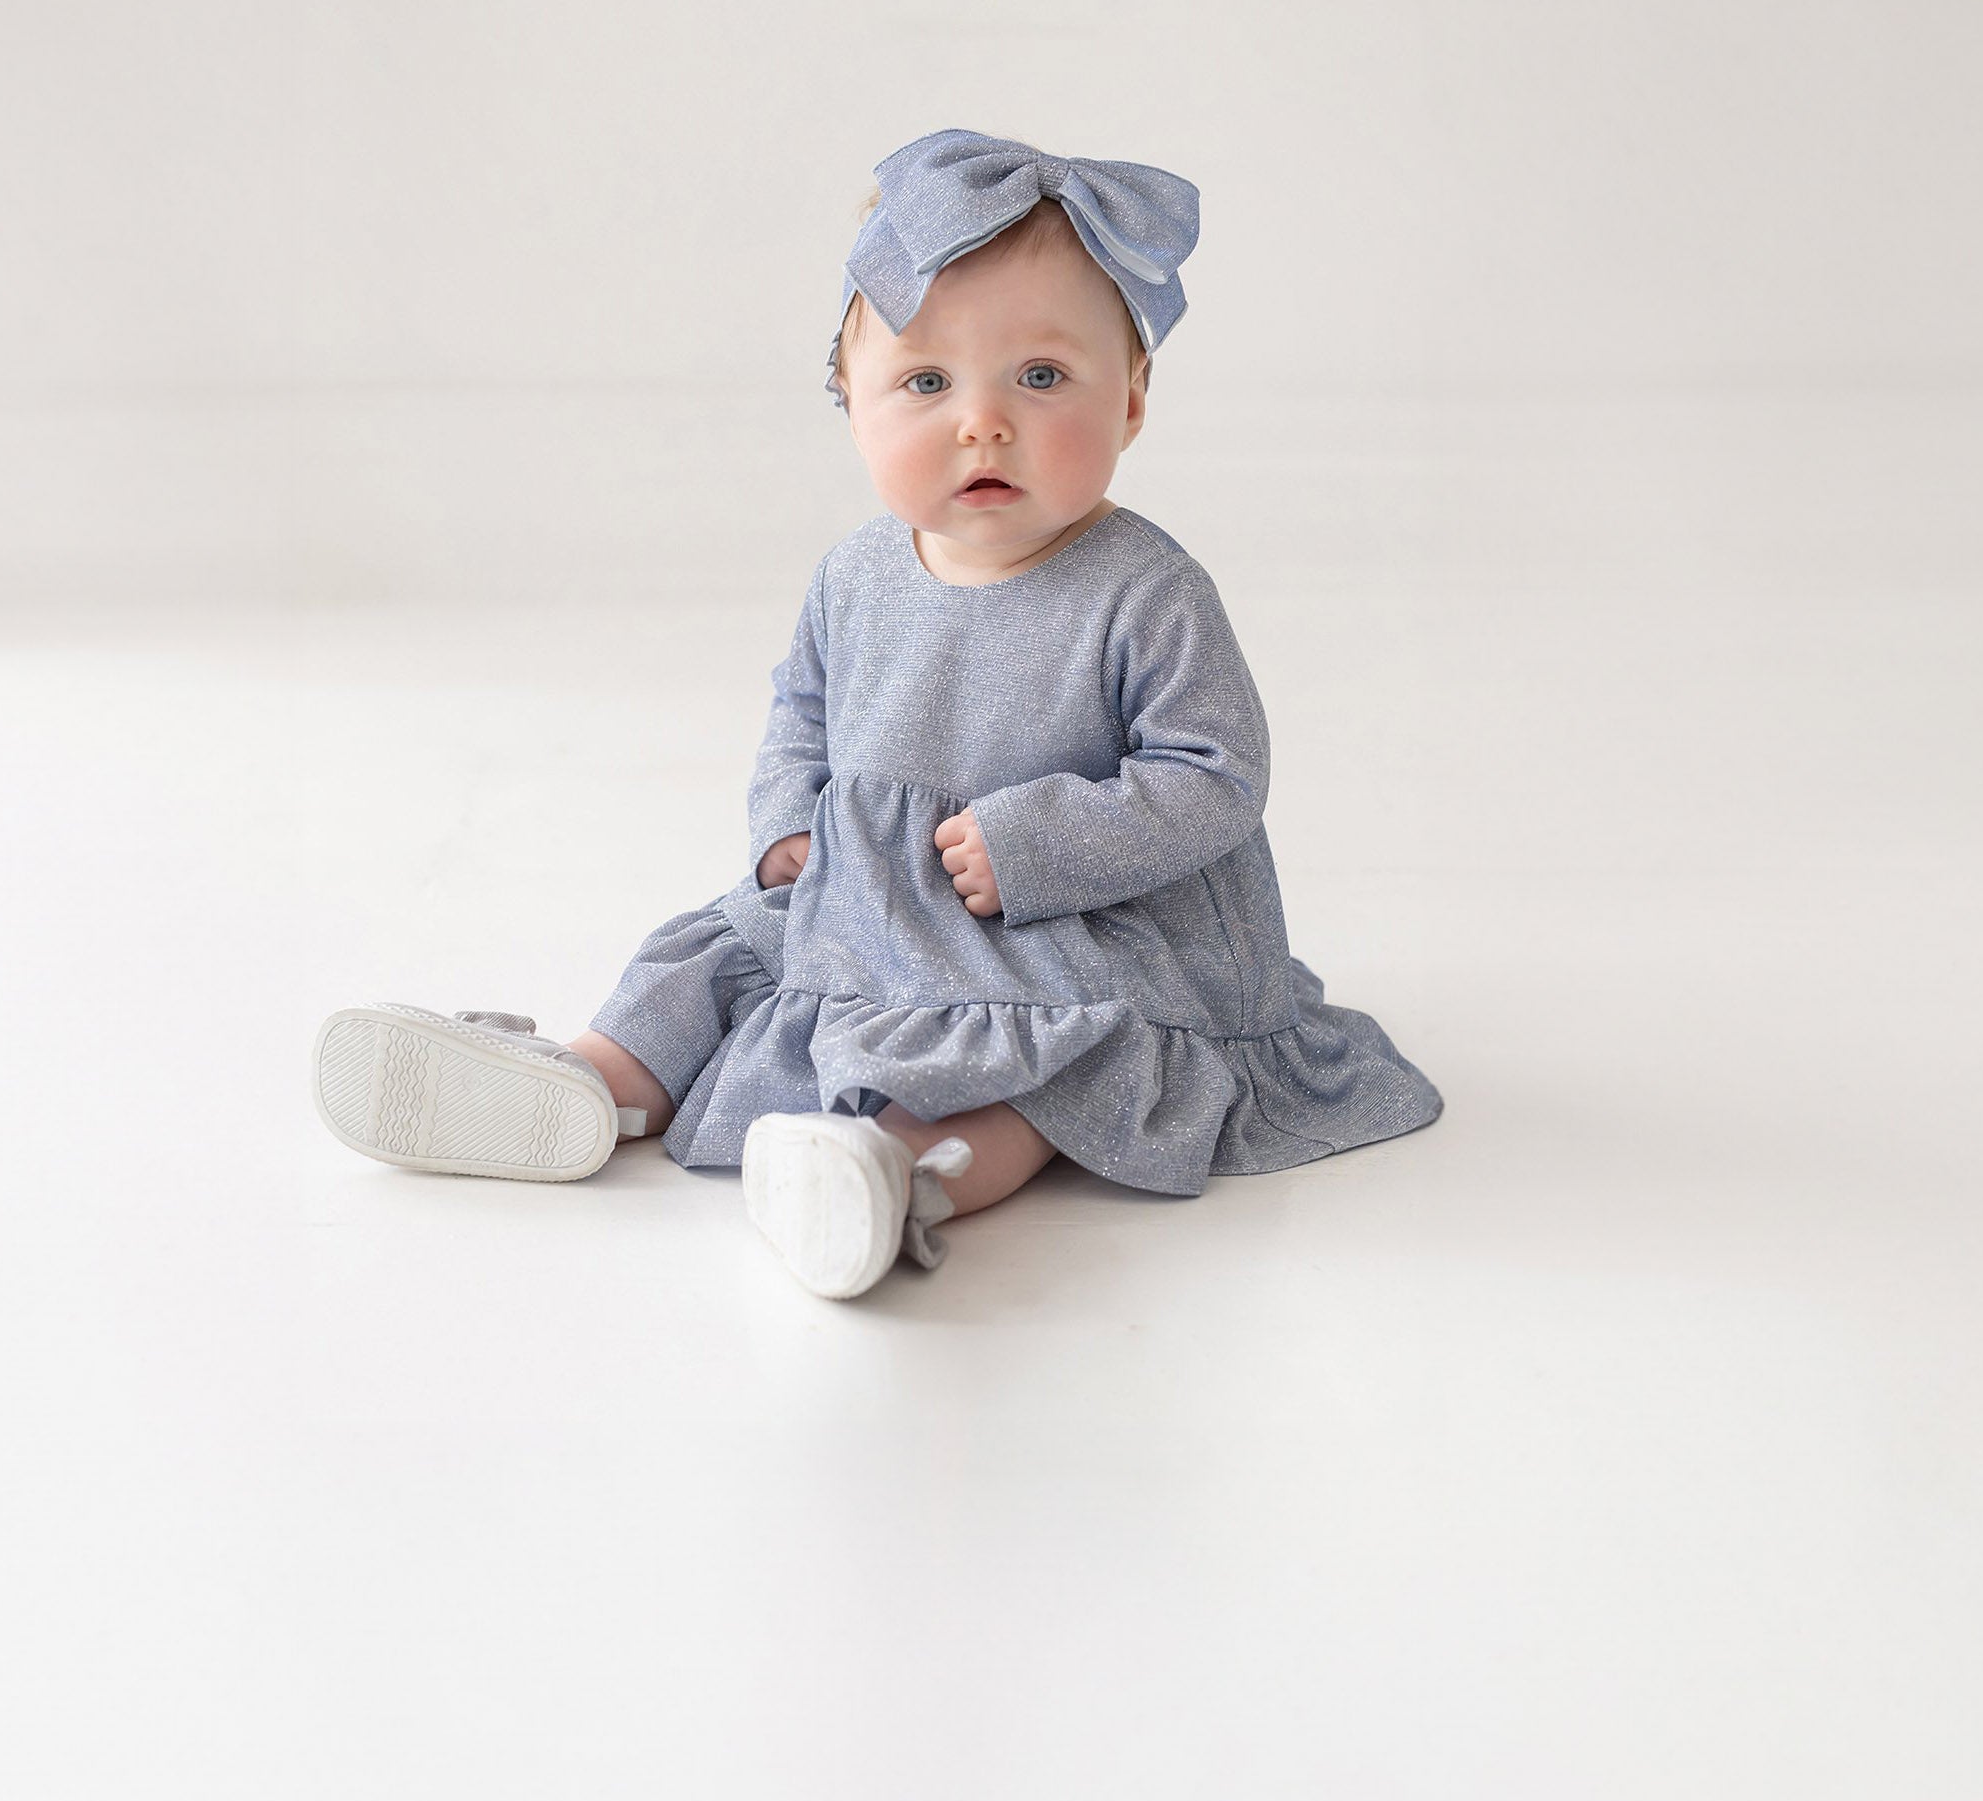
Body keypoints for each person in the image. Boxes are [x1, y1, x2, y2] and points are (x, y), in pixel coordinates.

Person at [310, 129, 1441, 1296]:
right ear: (848, 399)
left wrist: (1038, 844)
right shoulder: (855, 577)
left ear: (1134, 400)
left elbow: (1214, 771)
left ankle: (896, 1173)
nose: (982, 422)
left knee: (1042, 1065)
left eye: (1041, 378)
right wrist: (784, 823)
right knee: (721, 956)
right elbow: (800, 711)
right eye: (925, 382)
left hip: (1069, 923)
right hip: (863, 891)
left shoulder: (1142, 591)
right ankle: (586, 1085)